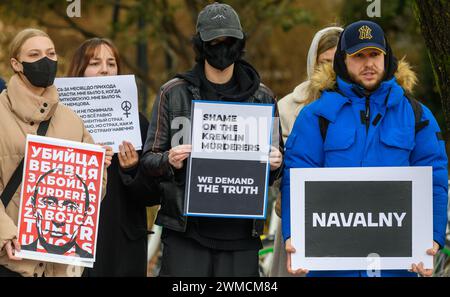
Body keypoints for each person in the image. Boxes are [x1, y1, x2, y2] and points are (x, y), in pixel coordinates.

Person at [281, 20, 448, 277]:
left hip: (396, 266)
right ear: (343, 61)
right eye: (358, 56)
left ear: (386, 57)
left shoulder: (416, 115)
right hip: (333, 266)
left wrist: (433, 238)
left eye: (374, 54)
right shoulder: (315, 116)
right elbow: (296, 178)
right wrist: (294, 236)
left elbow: (435, 180)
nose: (368, 63)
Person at [140, 2, 283, 277]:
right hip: (185, 232)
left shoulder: (263, 98)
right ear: (200, 45)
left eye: (228, 40)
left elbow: (277, 171)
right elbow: (148, 160)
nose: (221, 47)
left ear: (240, 42)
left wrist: (275, 163)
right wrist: (169, 160)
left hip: (241, 235)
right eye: (213, 41)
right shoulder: (173, 93)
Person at [0, 28, 112, 277]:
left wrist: (97, 167)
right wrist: (5, 234)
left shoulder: (72, 120)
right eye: (35, 54)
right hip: (9, 260)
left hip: (56, 267)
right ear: (16, 64)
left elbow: (92, 196)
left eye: (51, 53)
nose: (46, 60)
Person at [67, 38, 160, 277]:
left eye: (111, 63)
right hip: (71, 239)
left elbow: (153, 194)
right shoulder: (60, 122)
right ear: (80, 70)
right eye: (95, 63)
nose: (105, 69)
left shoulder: (135, 123)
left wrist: (132, 170)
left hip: (123, 243)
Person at [270, 26, 343, 277]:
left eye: (338, 62)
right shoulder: (288, 107)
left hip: (349, 215)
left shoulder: (364, 106)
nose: (331, 71)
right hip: (299, 216)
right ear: (313, 62)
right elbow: (277, 170)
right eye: (324, 62)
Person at [21, 168, 93, 259]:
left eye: (71, 207)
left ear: (85, 215)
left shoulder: (88, 258)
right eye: (49, 203)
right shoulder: (20, 250)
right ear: (33, 207)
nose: (58, 220)